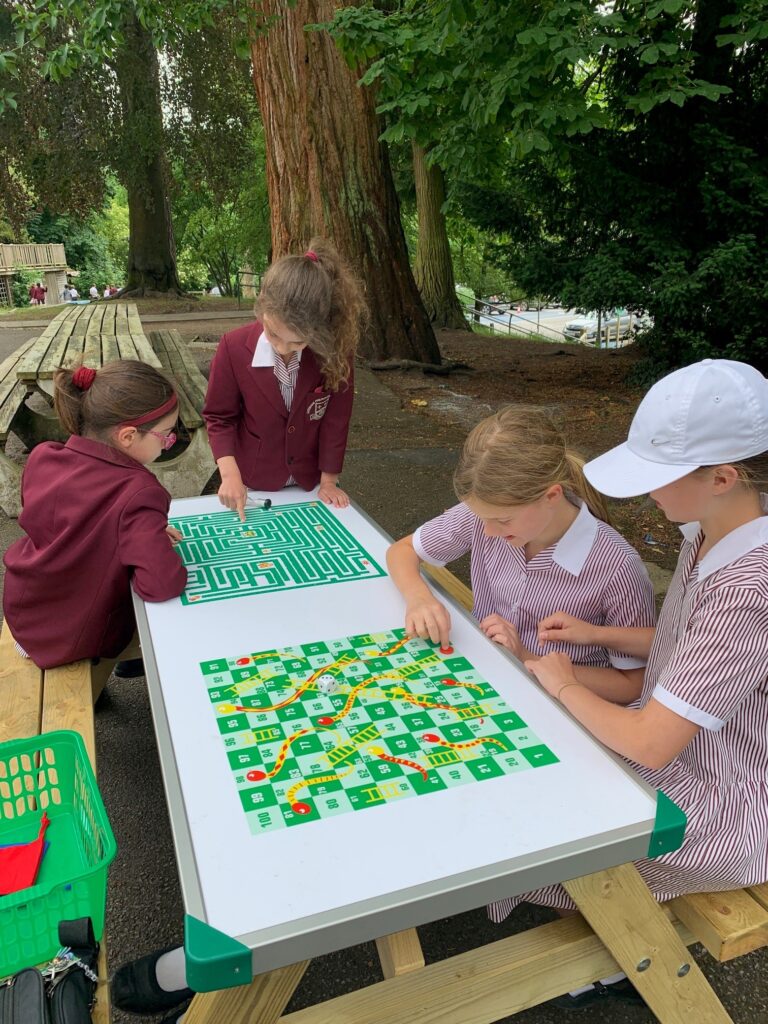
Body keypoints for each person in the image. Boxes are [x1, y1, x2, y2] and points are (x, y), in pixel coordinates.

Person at [493, 359, 768, 1010]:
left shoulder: (749, 586)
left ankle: (629, 947)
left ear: (722, 477)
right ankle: (613, 930)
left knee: (536, 805)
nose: (646, 496)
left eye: (657, 477)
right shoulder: (712, 528)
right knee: (533, 762)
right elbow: (694, 649)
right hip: (694, 753)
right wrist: (601, 633)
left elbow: (651, 742)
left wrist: (565, 685)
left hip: (731, 801)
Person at [387, 406, 656, 699]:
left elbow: (632, 686)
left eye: (503, 521)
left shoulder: (617, 566)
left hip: (562, 706)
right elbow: (402, 550)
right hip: (486, 676)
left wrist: (526, 657)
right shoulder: (487, 512)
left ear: (551, 496)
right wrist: (419, 598)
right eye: (483, 518)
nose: (488, 531)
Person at [3, 360, 187, 686]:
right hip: (68, 636)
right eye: (166, 435)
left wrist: (139, 531)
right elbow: (161, 584)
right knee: (172, 627)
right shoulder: (140, 493)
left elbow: (75, 520)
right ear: (128, 436)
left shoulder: (46, 455)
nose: (168, 441)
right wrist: (150, 539)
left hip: (25, 609)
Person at [203, 237, 367, 517]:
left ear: (320, 330)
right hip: (253, 481)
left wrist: (329, 480)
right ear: (262, 308)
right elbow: (219, 417)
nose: (282, 348)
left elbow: (336, 418)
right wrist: (229, 475)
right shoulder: (233, 347)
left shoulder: (335, 351)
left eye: (297, 342)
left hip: (309, 482)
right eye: (273, 334)